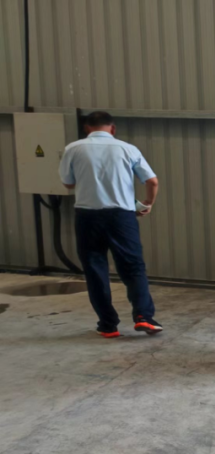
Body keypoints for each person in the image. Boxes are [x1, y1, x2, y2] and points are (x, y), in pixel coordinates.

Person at [59, 111, 163, 338]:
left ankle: (108, 325)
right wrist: (148, 203)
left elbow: (68, 183)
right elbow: (152, 181)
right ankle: (144, 317)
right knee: (133, 267)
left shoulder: (73, 149)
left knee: (95, 269)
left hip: (87, 216)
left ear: (87, 128)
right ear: (113, 128)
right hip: (121, 217)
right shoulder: (127, 149)